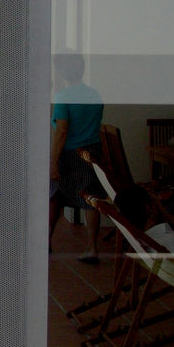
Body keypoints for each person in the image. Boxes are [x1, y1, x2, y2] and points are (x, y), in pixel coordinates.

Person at [49, 53, 104, 262]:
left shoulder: (64, 97)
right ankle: (92, 247)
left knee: (55, 196)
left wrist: (53, 162)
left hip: (72, 154)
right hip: (93, 152)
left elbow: (62, 132)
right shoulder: (95, 95)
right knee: (91, 199)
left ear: (62, 72)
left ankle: (47, 242)